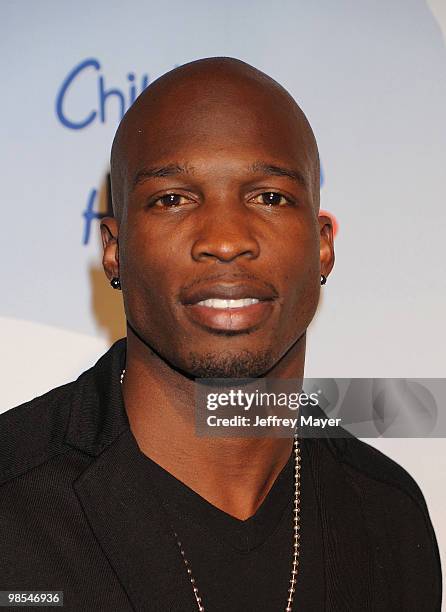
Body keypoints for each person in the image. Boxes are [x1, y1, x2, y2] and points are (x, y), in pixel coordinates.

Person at [0, 57, 441, 612]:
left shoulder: (389, 519)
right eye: (173, 199)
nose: (227, 240)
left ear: (323, 244)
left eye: (270, 197)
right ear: (115, 249)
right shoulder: (13, 497)